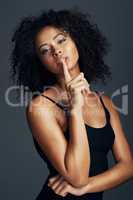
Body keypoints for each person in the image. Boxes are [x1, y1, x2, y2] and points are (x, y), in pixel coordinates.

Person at [10, 8, 133, 200]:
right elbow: (77, 177)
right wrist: (75, 109)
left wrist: (86, 187)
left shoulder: (105, 102)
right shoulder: (41, 107)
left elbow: (128, 167)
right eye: (45, 50)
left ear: (77, 41)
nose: (56, 51)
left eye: (61, 40)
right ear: (40, 62)